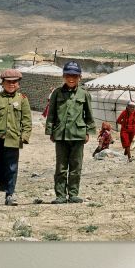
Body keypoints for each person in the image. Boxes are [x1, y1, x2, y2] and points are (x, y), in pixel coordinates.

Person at [45, 61, 95, 203]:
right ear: (64, 77)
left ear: (79, 77)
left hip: (78, 134)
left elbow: (89, 114)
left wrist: (88, 132)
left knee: (76, 166)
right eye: (68, 75)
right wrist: (50, 131)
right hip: (61, 134)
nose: (71, 79)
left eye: (74, 76)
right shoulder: (56, 93)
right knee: (61, 167)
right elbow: (51, 114)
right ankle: (60, 195)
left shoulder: (84, 94)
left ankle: (73, 194)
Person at [0, 68, 31, 206]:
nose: (11, 85)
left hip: (13, 140)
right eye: (8, 82)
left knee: (11, 168)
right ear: (2, 83)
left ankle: (10, 195)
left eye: (14, 82)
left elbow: (27, 121)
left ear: (19, 84)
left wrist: (24, 137)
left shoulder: (22, 100)